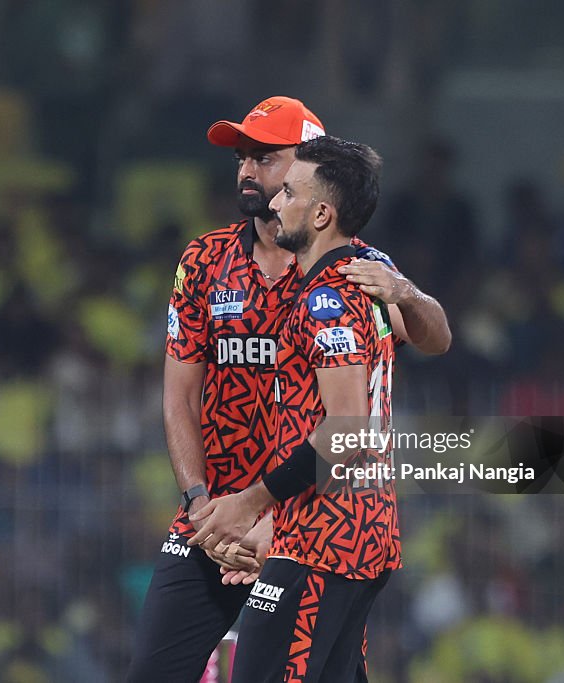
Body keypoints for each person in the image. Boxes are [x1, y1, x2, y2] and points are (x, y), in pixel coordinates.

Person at [126, 97, 449, 682]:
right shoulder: (203, 261)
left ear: (310, 171)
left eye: (265, 158)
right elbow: (179, 396)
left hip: (302, 519)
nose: (248, 171)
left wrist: (405, 292)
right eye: (242, 157)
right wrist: (205, 508)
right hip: (215, 518)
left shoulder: (350, 272)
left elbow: (429, 342)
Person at [189, 136, 400, 680]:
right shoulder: (348, 285)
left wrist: (250, 503)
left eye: (288, 192)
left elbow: (347, 430)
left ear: (323, 212)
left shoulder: (327, 299)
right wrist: (276, 523)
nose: (276, 203)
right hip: (328, 531)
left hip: (327, 541)